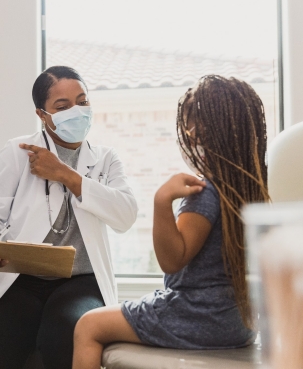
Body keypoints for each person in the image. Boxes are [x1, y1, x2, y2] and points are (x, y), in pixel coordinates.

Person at [72, 75, 270, 369]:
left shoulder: (206, 193)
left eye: (193, 123)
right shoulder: (253, 189)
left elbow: (172, 260)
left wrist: (162, 201)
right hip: (238, 322)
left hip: (196, 318)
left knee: (88, 325)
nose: (188, 132)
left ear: (205, 131)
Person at [0, 66, 138, 369]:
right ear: (42, 115)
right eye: (63, 106)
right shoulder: (18, 153)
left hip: (81, 281)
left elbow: (125, 215)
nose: (77, 111)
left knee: (65, 336)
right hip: (21, 279)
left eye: (82, 102)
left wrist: (66, 175)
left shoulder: (106, 159)